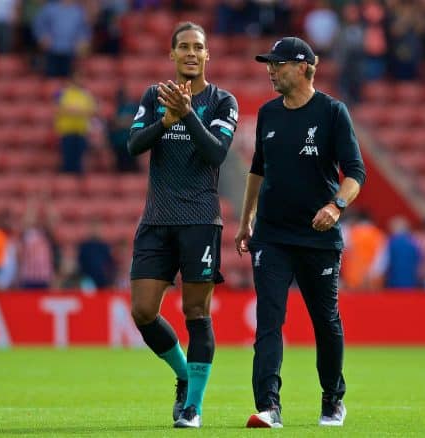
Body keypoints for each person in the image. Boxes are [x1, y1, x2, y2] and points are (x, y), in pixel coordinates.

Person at [234, 37, 366, 428]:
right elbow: (257, 171)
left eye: (279, 63)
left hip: (318, 237)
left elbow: (356, 173)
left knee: (325, 321)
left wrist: (336, 205)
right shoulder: (268, 114)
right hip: (271, 236)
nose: (270, 70)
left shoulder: (332, 112)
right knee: (269, 321)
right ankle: (269, 407)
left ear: (306, 67)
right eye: (269, 64)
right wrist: (246, 222)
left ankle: (332, 399)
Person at [127, 22, 238, 429]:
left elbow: (217, 153)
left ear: (208, 55)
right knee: (142, 311)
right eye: (184, 47)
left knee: (196, 311)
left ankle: (192, 407)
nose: (192, 53)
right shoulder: (153, 97)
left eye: (199, 47)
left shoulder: (223, 101)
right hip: (156, 219)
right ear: (171, 55)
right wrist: (166, 121)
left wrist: (187, 115)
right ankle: (182, 374)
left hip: (199, 220)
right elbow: (134, 145)